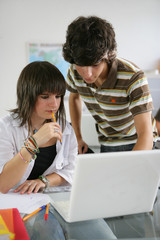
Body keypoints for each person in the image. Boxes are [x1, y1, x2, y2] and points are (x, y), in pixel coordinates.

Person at [62, 16, 158, 154]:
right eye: (81, 65)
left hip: (139, 141)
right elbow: (74, 98)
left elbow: (146, 135)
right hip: (108, 142)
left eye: (95, 65)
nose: (87, 74)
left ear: (108, 55)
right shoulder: (74, 72)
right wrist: (77, 137)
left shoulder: (133, 77)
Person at [0, 61, 78, 194]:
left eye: (58, 96)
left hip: (51, 200)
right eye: (45, 97)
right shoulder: (5, 128)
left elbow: (71, 170)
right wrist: (33, 143)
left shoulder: (66, 129)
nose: (54, 104)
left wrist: (43, 181)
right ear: (27, 95)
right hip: (15, 203)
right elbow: (3, 185)